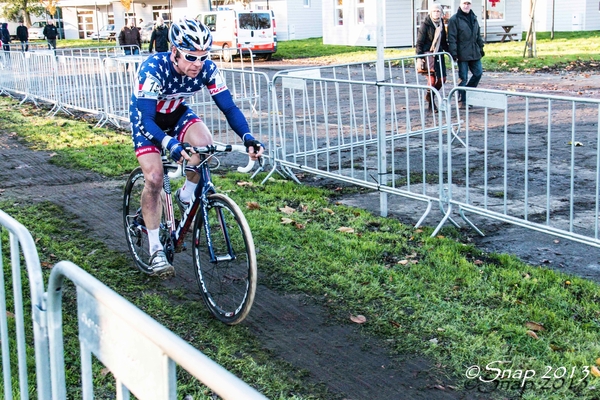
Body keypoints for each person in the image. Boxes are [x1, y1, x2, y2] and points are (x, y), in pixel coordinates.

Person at [129, 18, 264, 276]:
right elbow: (146, 120)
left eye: (204, 57)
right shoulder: (153, 69)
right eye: (191, 57)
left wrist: (248, 137)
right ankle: (156, 249)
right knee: (156, 178)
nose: (198, 64)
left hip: (177, 114)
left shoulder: (206, 69)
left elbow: (229, 107)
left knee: (205, 147)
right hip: (148, 121)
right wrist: (171, 144)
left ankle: (186, 194)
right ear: (174, 52)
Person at [447, 0, 485, 106]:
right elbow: (452, 37)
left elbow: (478, 35)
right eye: (464, 3)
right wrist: (454, 53)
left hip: (474, 51)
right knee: (463, 78)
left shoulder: (474, 17)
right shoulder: (454, 19)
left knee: (478, 73)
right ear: (460, 4)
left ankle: (467, 94)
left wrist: (481, 48)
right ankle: (462, 100)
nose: (466, 5)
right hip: (461, 53)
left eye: (468, 4)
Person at [416, 3, 449, 111]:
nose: (436, 13)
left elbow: (443, 42)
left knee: (442, 79)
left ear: (441, 13)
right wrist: (419, 57)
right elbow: (420, 42)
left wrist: (451, 53)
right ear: (430, 12)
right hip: (428, 55)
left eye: (438, 11)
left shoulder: (441, 24)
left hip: (439, 54)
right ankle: (431, 104)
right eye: (434, 11)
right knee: (432, 79)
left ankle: (430, 96)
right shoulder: (425, 25)